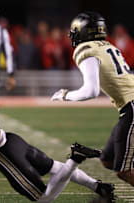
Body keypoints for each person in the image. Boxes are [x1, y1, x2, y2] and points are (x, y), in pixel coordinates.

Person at [51, 11, 134, 187]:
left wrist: (66, 95)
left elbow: (91, 91)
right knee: (108, 159)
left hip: (131, 107)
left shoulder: (86, 49)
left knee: (125, 171)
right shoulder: (107, 46)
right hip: (127, 107)